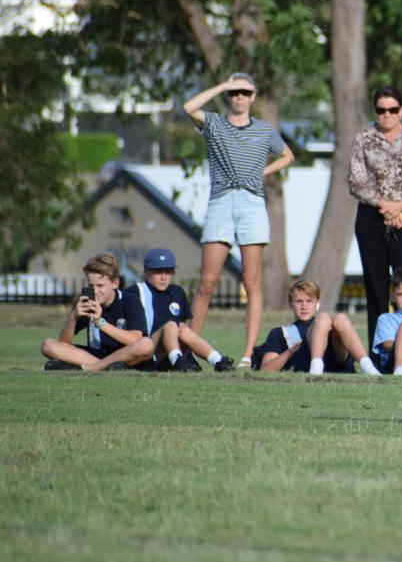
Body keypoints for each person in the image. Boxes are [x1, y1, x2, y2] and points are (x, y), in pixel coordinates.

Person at [183, 72, 295, 369]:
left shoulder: (264, 129)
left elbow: (287, 155)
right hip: (221, 201)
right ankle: (188, 350)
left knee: (252, 282)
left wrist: (263, 173)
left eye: (245, 92)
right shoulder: (214, 123)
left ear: (253, 96)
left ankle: (247, 354)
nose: (239, 97)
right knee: (207, 283)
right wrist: (221, 84)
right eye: (234, 92)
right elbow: (188, 107)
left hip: (251, 203)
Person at [349, 85, 402, 351]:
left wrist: (400, 206)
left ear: (401, 110)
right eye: (382, 110)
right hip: (371, 217)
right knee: (376, 287)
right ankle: (377, 352)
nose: (387, 115)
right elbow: (357, 182)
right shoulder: (363, 139)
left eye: (392, 110)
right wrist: (385, 206)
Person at [126, 247, 234, 372]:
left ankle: (218, 361)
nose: (163, 277)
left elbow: (182, 329)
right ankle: (177, 361)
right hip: (146, 352)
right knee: (172, 325)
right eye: (158, 271)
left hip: (169, 351)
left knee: (182, 328)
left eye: (168, 272)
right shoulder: (135, 292)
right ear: (146, 272)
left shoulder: (177, 292)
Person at [41, 252, 153, 371]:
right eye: (91, 285)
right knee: (48, 345)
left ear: (115, 283)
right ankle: (104, 367)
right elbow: (64, 343)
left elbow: (135, 339)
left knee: (146, 345)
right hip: (95, 356)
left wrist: (100, 322)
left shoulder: (130, 300)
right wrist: (73, 318)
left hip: (125, 355)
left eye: (100, 285)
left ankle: (89, 367)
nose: (95, 291)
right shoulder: (85, 302)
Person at [252, 279, 381, 375]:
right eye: (299, 301)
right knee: (324, 318)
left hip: (336, 358)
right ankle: (316, 367)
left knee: (338, 318)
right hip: (302, 360)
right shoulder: (280, 333)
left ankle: (368, 367)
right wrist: (289, 352)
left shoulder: (328, 325)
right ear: (291, 304)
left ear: (317, 303)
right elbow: (266, 369)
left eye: (309, 301)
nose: (304, 307)